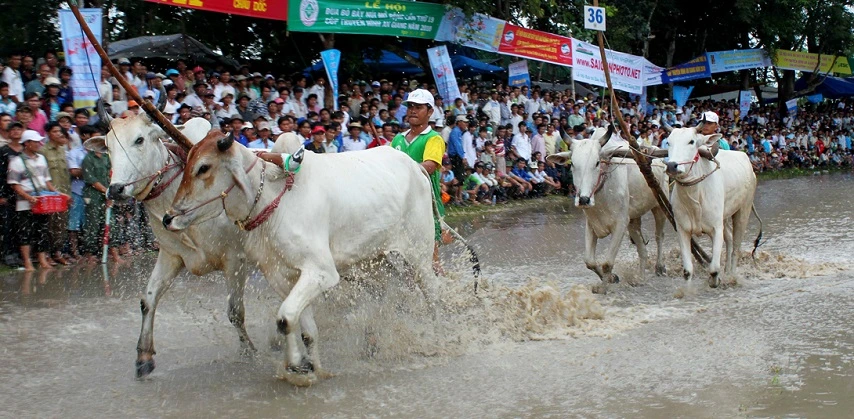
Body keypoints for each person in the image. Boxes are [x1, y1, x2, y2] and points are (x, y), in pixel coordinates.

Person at [390, 88, 448, 271]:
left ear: (430, 112)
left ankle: (442, 286)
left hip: (426, 204)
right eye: (410, 107)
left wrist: (401, 170)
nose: (413, 111)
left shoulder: (434, 138)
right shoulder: (398, 139)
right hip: (399, 205)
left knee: (431, 259)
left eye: (418, 107)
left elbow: (429, 166)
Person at [7, 130, 66, 270]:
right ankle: (27, 261)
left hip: (42, 202)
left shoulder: (41, 159)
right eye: (35, 142)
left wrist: (58, 194)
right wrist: (28, 197)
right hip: (24, 204)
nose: (39, 144)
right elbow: (14, 184)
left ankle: (42, 260)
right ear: (27, 143)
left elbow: (47, 181)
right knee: (25, 232)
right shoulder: (16, 161)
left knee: (42, 231)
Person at [81, 142, 120, 264]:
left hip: (106, 193)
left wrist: (110, 194)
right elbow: (91, 179)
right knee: (93, 224)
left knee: (110, 223)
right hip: (93, 195)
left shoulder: (106, 157)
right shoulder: (88, 159)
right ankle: (90, 254)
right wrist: (106, 191)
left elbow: (110, 175)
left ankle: (114, 253)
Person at [39, 122, 72, 264]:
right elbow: (43, 175)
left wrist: (68, 193)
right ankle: (47, 254)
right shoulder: (43, 151)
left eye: (60, 131)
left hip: (64, 193)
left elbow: (66, 174)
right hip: (50, 194)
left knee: (61, 224)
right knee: (49, 225)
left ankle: (58, 252)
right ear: (48, 134)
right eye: (55, 131)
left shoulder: (63, 149)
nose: (59, 134)